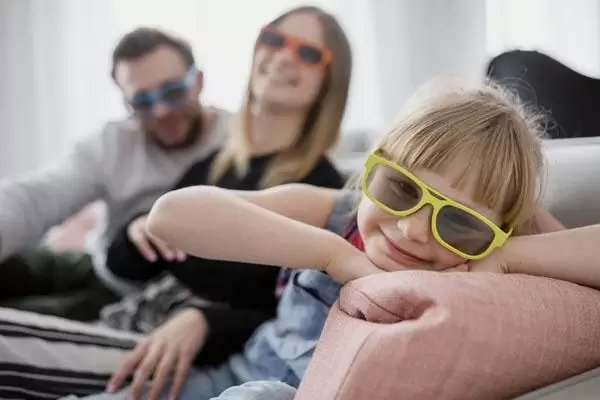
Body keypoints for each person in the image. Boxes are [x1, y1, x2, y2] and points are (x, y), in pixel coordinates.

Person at [80, 77, 556, 400]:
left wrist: (509, 239)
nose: (412, 227)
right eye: (401, 189)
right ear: (372, 170)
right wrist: (334, 255)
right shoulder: (338, 212)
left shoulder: (480, 264)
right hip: (223, 376)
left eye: (458, 222)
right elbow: (170, 216)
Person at [0, 6, 352, 400]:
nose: (284, 56)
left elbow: (296, 317)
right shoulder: (216, 163)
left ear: (329, 82)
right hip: (127, 315)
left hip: (172, 353)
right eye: (275, 39)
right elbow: (127, 262)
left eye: (308, 53)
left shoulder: (323, 190)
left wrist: (207, 320)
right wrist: (137, 232)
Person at [0, 26, 231, 320]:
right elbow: (34, 199)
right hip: (94, 265)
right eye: (142, 102)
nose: (160, 111)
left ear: (198, 81)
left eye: (172, 92)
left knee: (16, 323)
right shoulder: (115, 143)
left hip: (134, 299)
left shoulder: (237, 144)